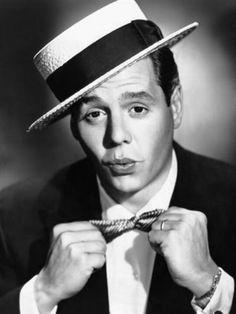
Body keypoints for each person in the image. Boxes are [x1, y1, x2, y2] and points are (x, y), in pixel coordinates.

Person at [0, 0, 235, 313]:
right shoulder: (15, 216)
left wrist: (211, 284)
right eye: (95, 114)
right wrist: (42, 294)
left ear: (174, 106)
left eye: (137, 108)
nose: (117, 135)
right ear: (74, 128)